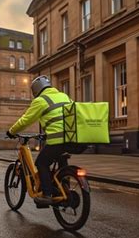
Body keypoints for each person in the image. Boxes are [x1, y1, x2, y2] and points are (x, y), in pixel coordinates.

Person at [6, 75, 86, 206]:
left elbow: (26, 120)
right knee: (61, 161)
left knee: (41, 163)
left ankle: (47, 194)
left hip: (57, 139)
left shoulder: (41, 100)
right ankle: (64, 188)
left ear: (36, 90)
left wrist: (11, 131)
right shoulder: (64, 96)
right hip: (73, 138)